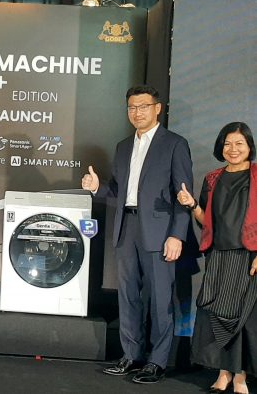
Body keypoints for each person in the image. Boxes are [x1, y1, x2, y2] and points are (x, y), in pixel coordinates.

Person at [81, 85, 193, 384]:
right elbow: (118, 192)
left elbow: (184, 195)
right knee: (128, 296)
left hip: (160, 232)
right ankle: (131, 356)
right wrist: (97, 187)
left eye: (143, 106)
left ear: (158, 108)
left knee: (160, 299)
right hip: (126, 227)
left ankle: (157, 361)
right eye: (132, 107)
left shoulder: (175, 144)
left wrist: (177, 235)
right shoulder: (123, 147)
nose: (137, 112)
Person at [177, 122, 256, 394]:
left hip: (248, 257)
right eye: (227, 144)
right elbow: (205, 221)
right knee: (216, 313)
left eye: (239, 144)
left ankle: (240, 376)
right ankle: (223, 373)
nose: (233, 149)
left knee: (243, 317)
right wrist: (192, 205)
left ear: (249, 147)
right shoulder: (212, 179)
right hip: (218, 255)